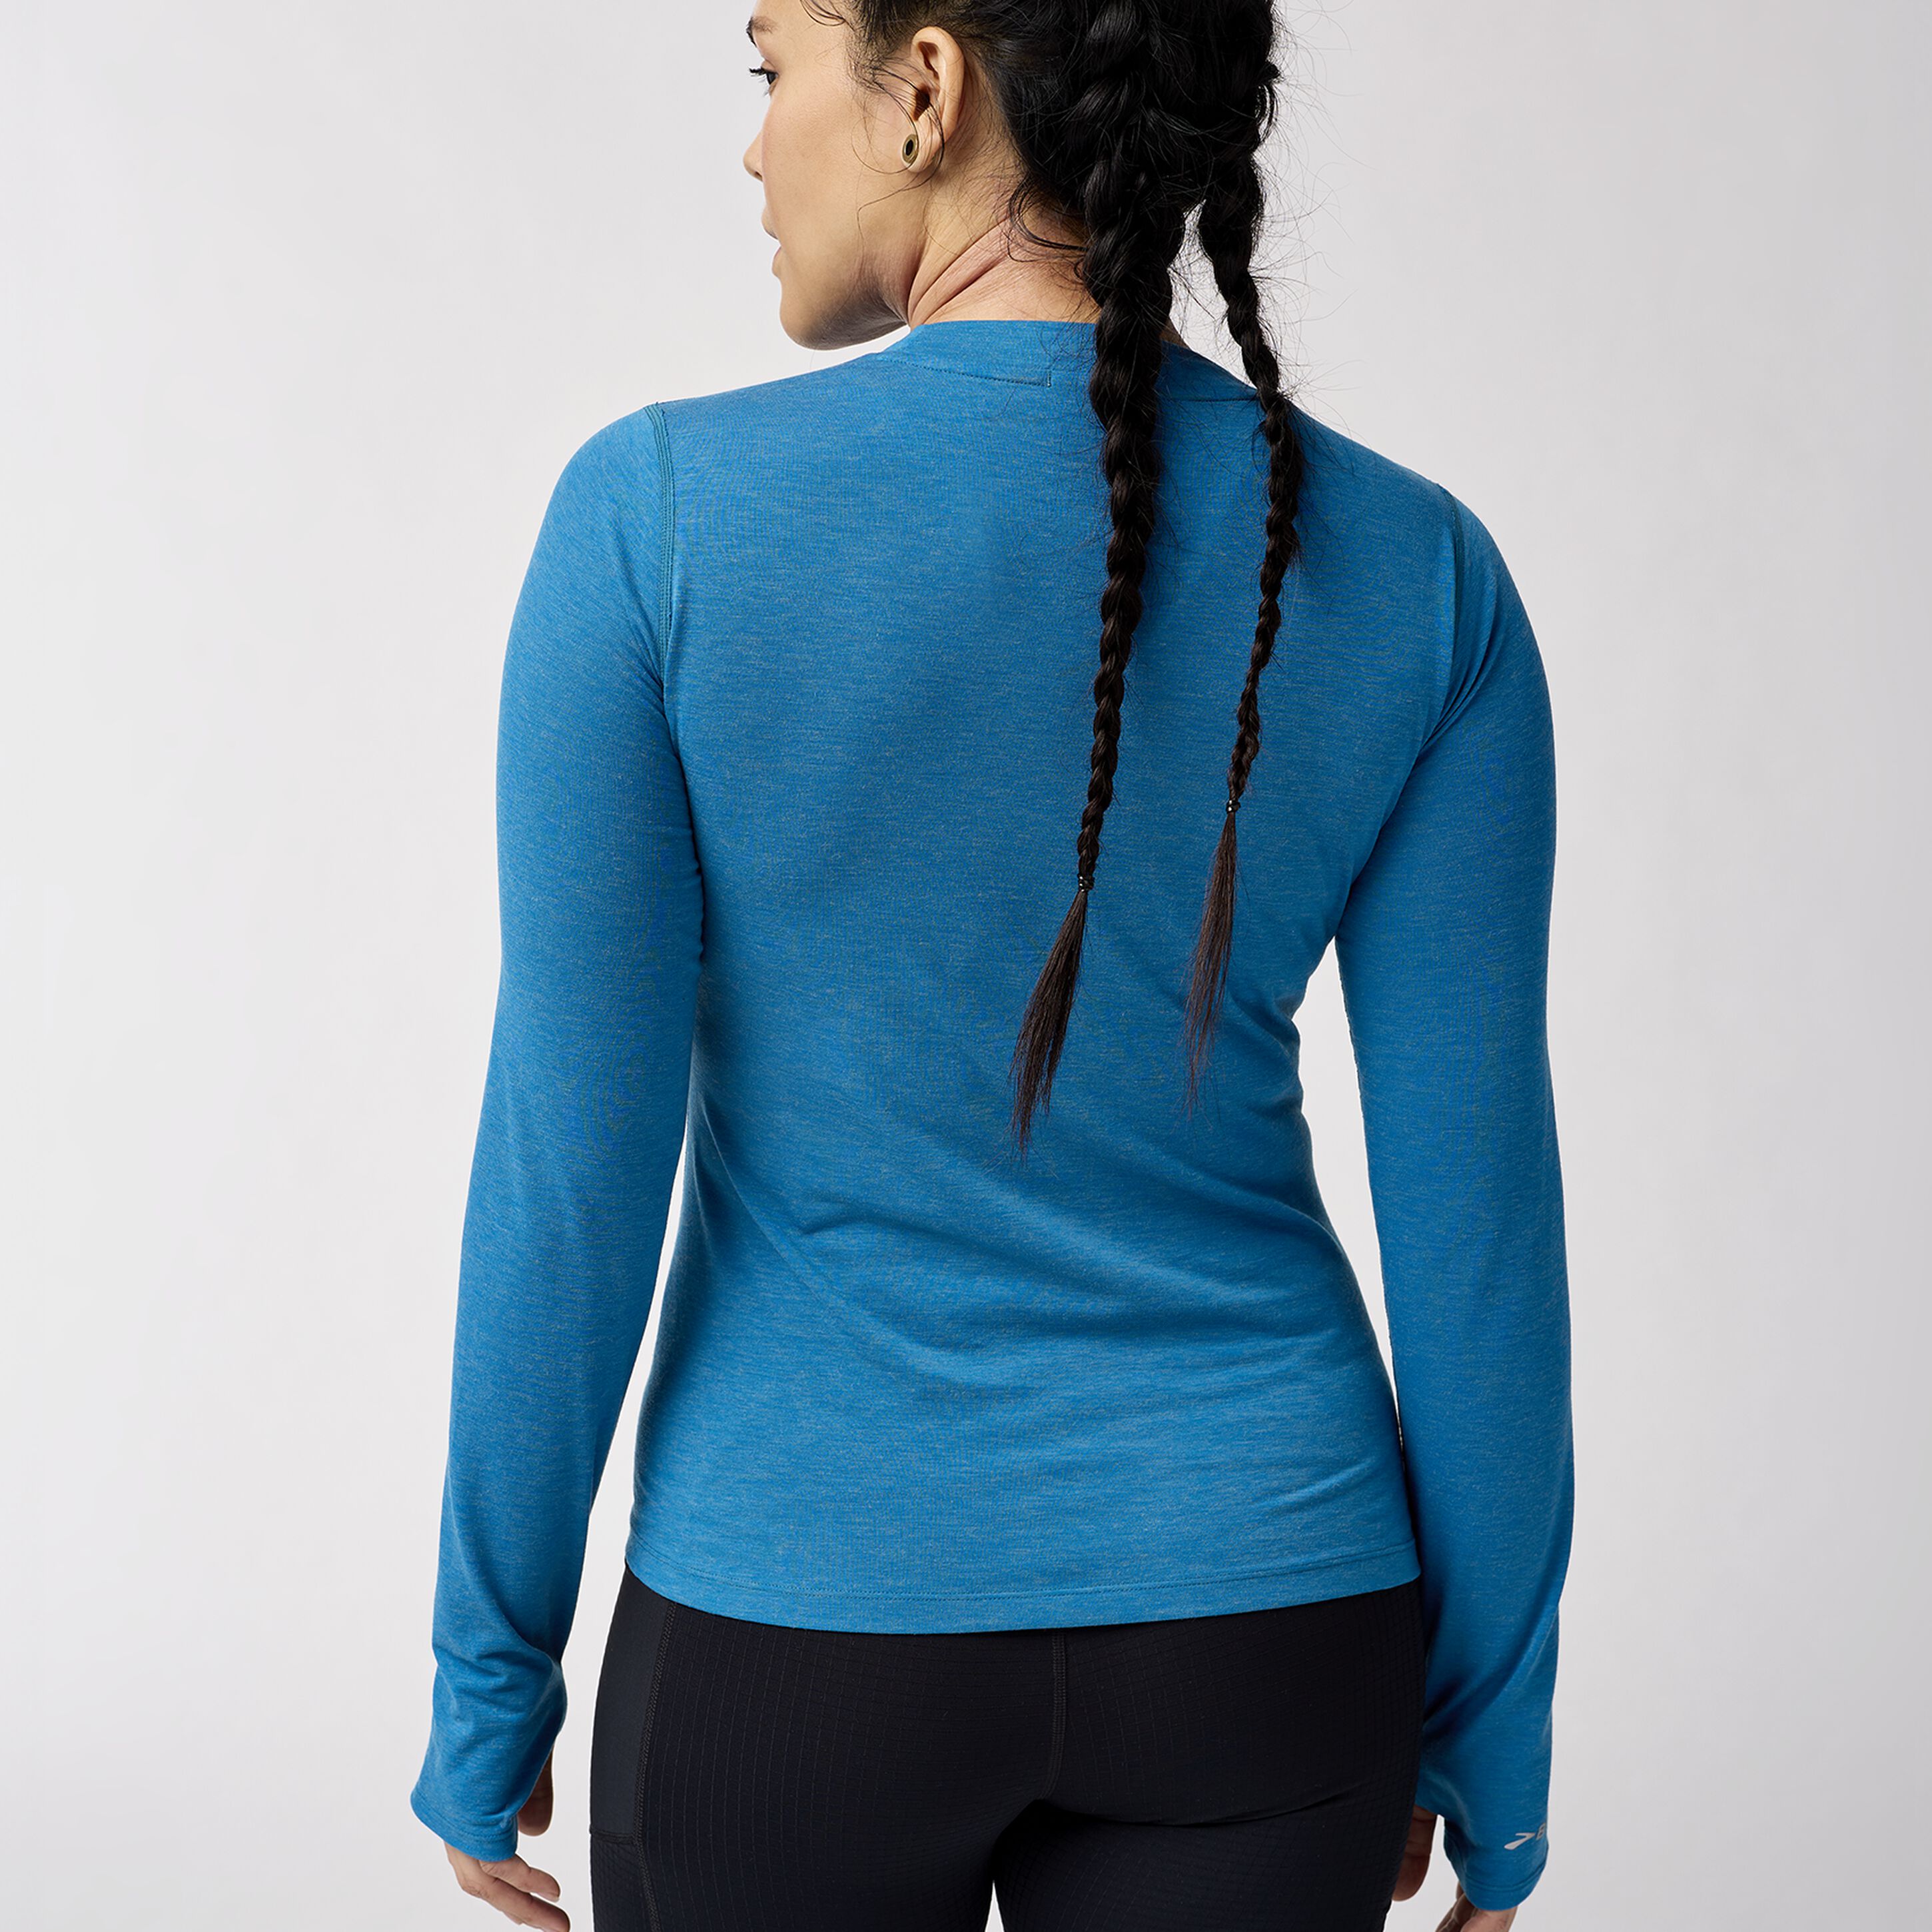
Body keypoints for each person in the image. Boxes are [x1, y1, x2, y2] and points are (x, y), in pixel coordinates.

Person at [407, 2, 1574, 1928]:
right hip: (1271, 1638)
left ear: (928, 90)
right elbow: (1482, 1232)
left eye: (772, 65)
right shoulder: (1419, 571)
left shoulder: (656, 529)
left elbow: (571, 1173)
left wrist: (486, 1678)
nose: (756, 143)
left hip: (795, 1639)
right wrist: (1489, 1743)